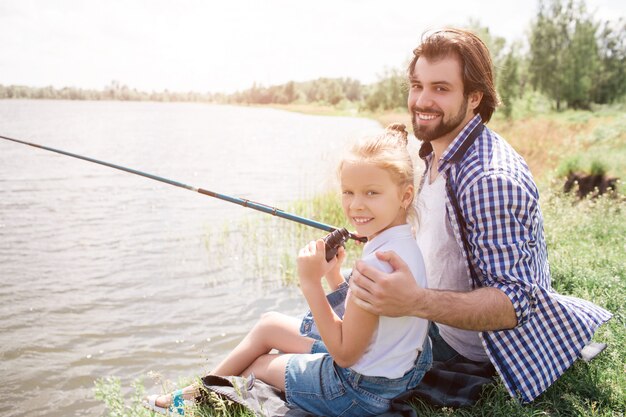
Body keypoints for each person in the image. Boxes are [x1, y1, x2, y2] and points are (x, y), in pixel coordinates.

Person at [348, 28, 612, 403]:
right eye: (417, 85)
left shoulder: (489, 179)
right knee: (329, 312)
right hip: (428, 311)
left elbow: (515, 302)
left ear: (474, 97)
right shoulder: (433, 151)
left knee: (322, 349)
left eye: (441, 88)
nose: (422, 100)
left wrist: (414, 302)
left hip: (464, 345)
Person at [144, 123, 432, 416]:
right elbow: (370, 321)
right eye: (348, 192)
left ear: (405, 196)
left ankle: (195, 404)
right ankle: (196, 391)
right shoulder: (405, 245)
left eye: (372, 193)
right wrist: (334, 276)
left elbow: (345, 354)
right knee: (270, 324)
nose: (356, 205)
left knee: (258, 366)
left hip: (357, 391)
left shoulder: (374, 266)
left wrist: (310, 283)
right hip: (396, 371)